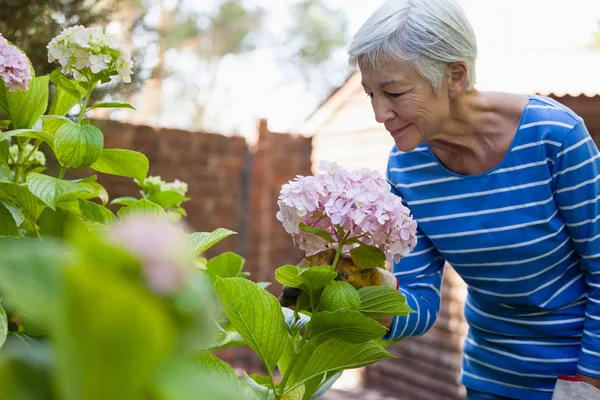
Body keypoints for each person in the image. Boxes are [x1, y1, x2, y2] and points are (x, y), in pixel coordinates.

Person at [310, 0, 600, 399]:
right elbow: (421, 298)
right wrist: (355, 301)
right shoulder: (407, 168)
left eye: (394, 92)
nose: (380, 113)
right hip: (490, 378)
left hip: (579, 377)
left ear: (455, 76)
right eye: (371, 94)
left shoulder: (555, 137)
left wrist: (588, 383)